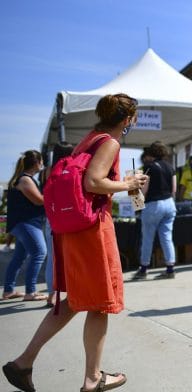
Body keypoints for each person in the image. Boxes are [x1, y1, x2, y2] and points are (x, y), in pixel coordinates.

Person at [2, 93, 147, 392]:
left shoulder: (90, 139)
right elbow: (93, 182)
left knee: (74, 302)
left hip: (74, 228)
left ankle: (23, 363)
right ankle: (92, 379)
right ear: (127, 118)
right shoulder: (110, 142)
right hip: (93, 229)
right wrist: (129, 184)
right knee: (99, 303)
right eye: (133, 117)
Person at [2, 150, 48, 302]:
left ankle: (8, 291)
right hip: (26, 223)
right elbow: (38, 200)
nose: (42, 164)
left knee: (19, 257)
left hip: (24, 223)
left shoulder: (24, 179)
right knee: (39, 252)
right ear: (36, 163)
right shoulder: (25, 180)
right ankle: (31, 292)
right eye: (41, 161)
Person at [133, 141, 177, 280]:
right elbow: (174, 189)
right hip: (169, 203)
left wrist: (137, 206)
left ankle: (143, 269)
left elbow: (143, 191)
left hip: (154, 205)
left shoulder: (148, 167)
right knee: (166, 237)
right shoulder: (170, 167)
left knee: (147, 238)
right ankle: (170, 268)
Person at [40, 142, 74, 307]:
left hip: (52, 217)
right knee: (71, 254)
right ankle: (70, 290)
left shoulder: (48, 170)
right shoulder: (72, 167)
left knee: (52, 258)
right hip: (69, 216)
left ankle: (52, 294)